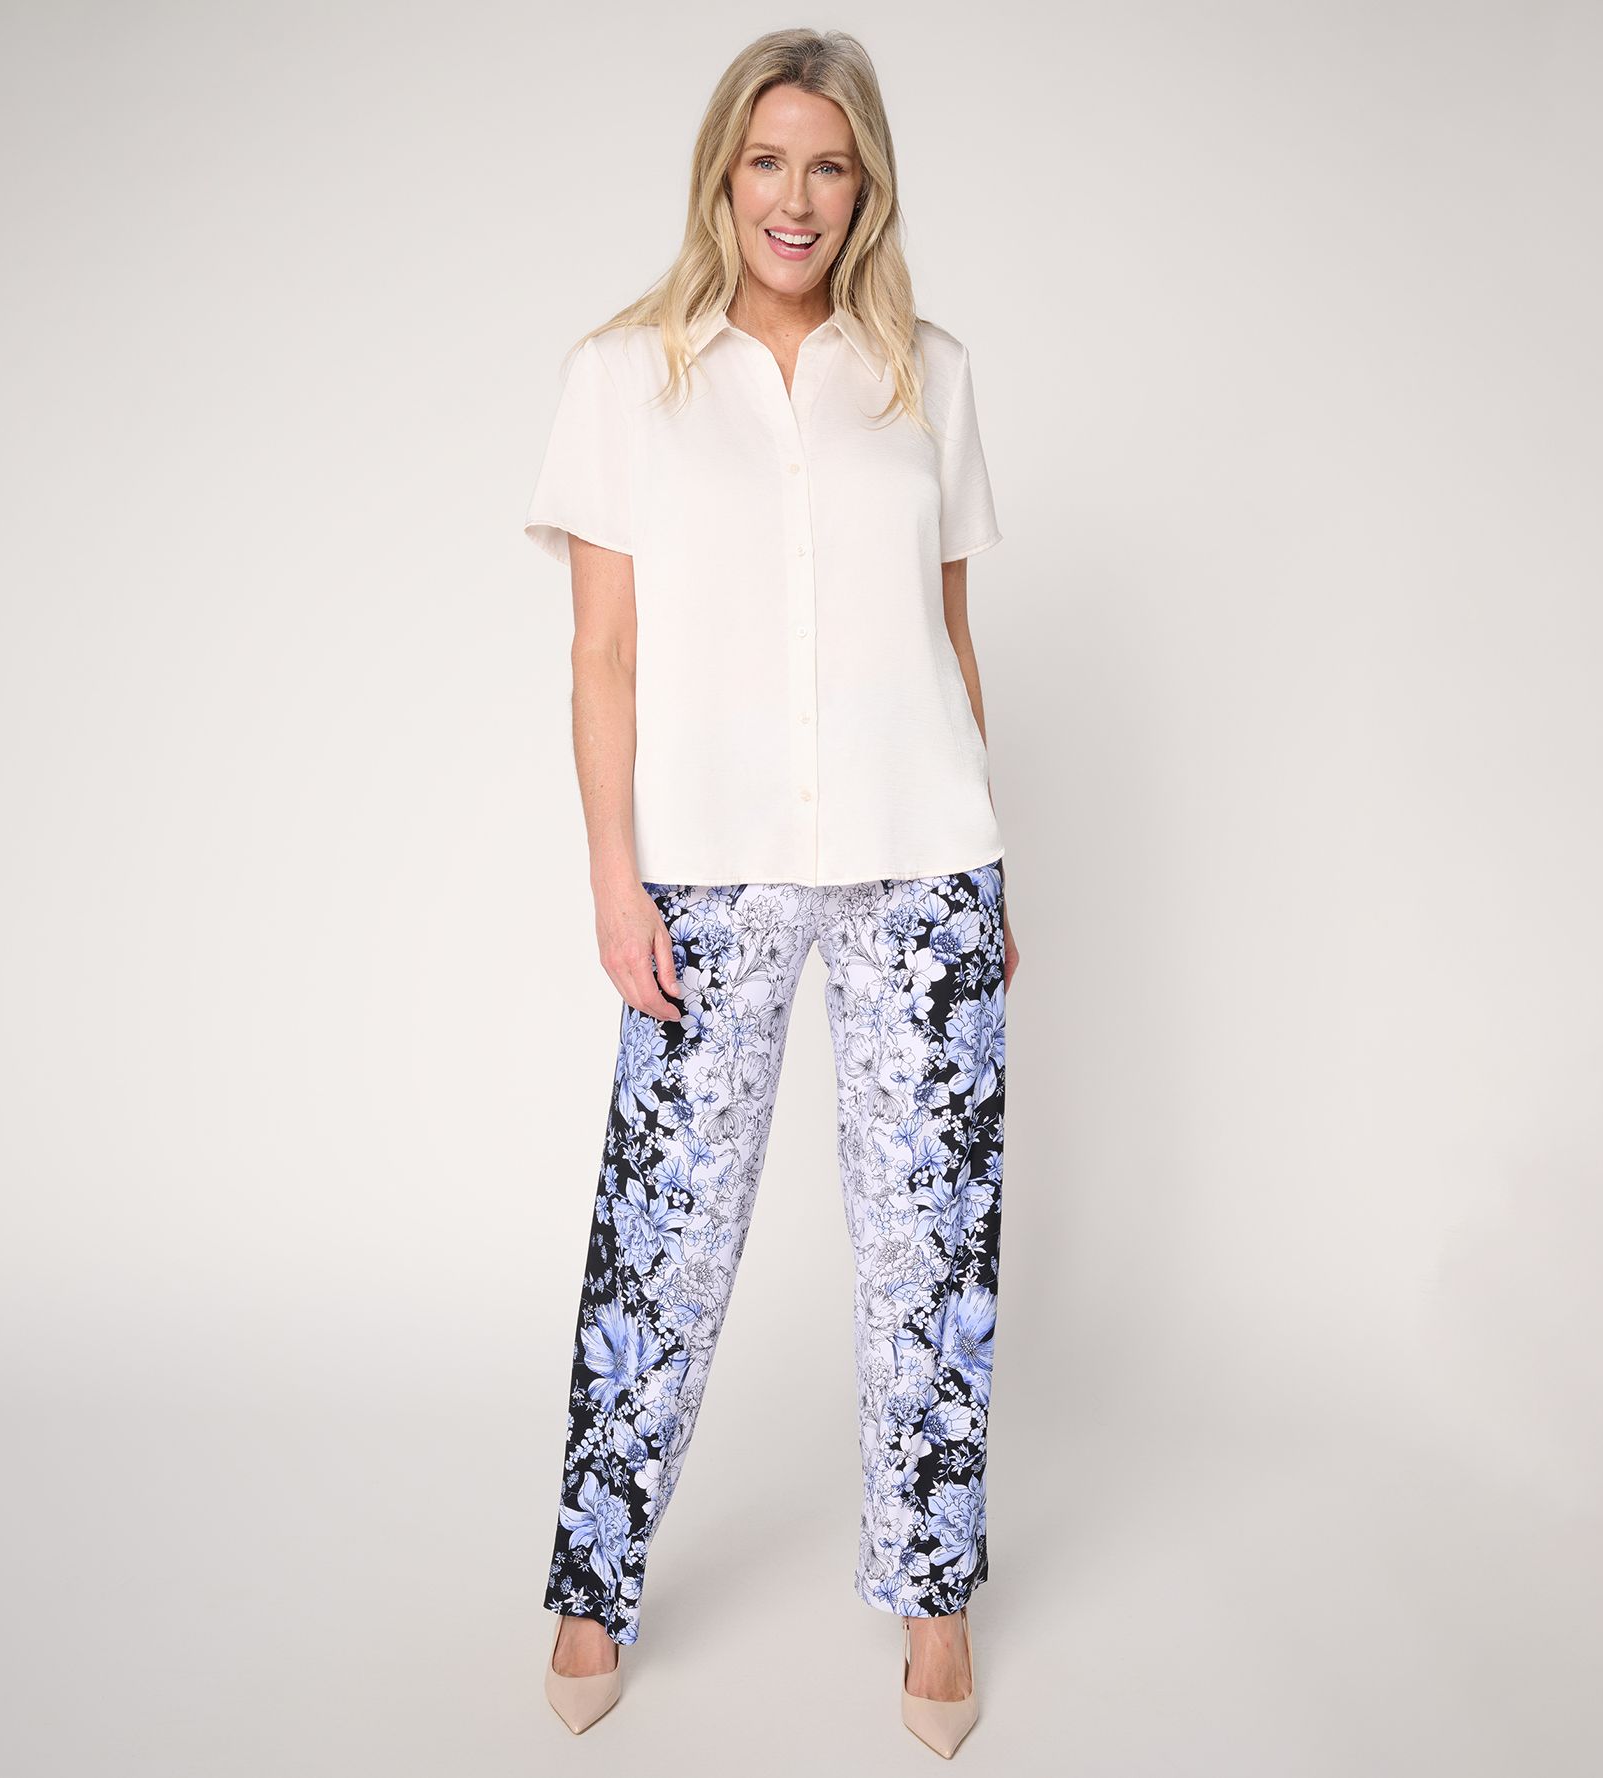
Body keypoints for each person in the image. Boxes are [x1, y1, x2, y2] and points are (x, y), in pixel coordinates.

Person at [521, 27, 1019, 1759]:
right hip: (709, 869)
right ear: (722, 175)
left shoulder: (928, 375)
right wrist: (615, 878)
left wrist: (990, 852)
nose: (795, 198)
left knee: (933, 1255)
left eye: (829, 165)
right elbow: (602, 654)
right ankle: (594, 1586)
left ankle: (936, 1606)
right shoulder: (624, 376)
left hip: (922, 864)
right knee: (657, 1245)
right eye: (767, 162)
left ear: (864, 184)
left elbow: (949, 637)